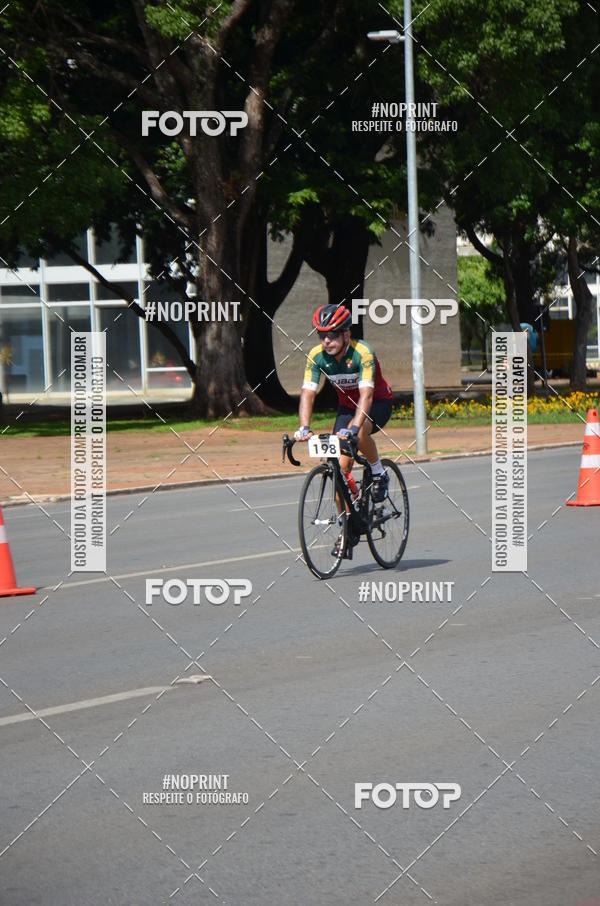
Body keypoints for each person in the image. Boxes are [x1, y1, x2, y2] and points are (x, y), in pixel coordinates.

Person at [294, 303, 394, 504]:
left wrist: (354, 428)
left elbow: (366, 395)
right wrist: (304, 427)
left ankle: (378, 472)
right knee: (339, 470)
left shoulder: (363, 352)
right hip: (348, 408)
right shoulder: (316, 356)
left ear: (346, 335)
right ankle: (348, 529)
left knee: (357, 432)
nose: (326, 341)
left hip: (378, 403)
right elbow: (307, 393)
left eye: (332, 335)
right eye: (322, 336)